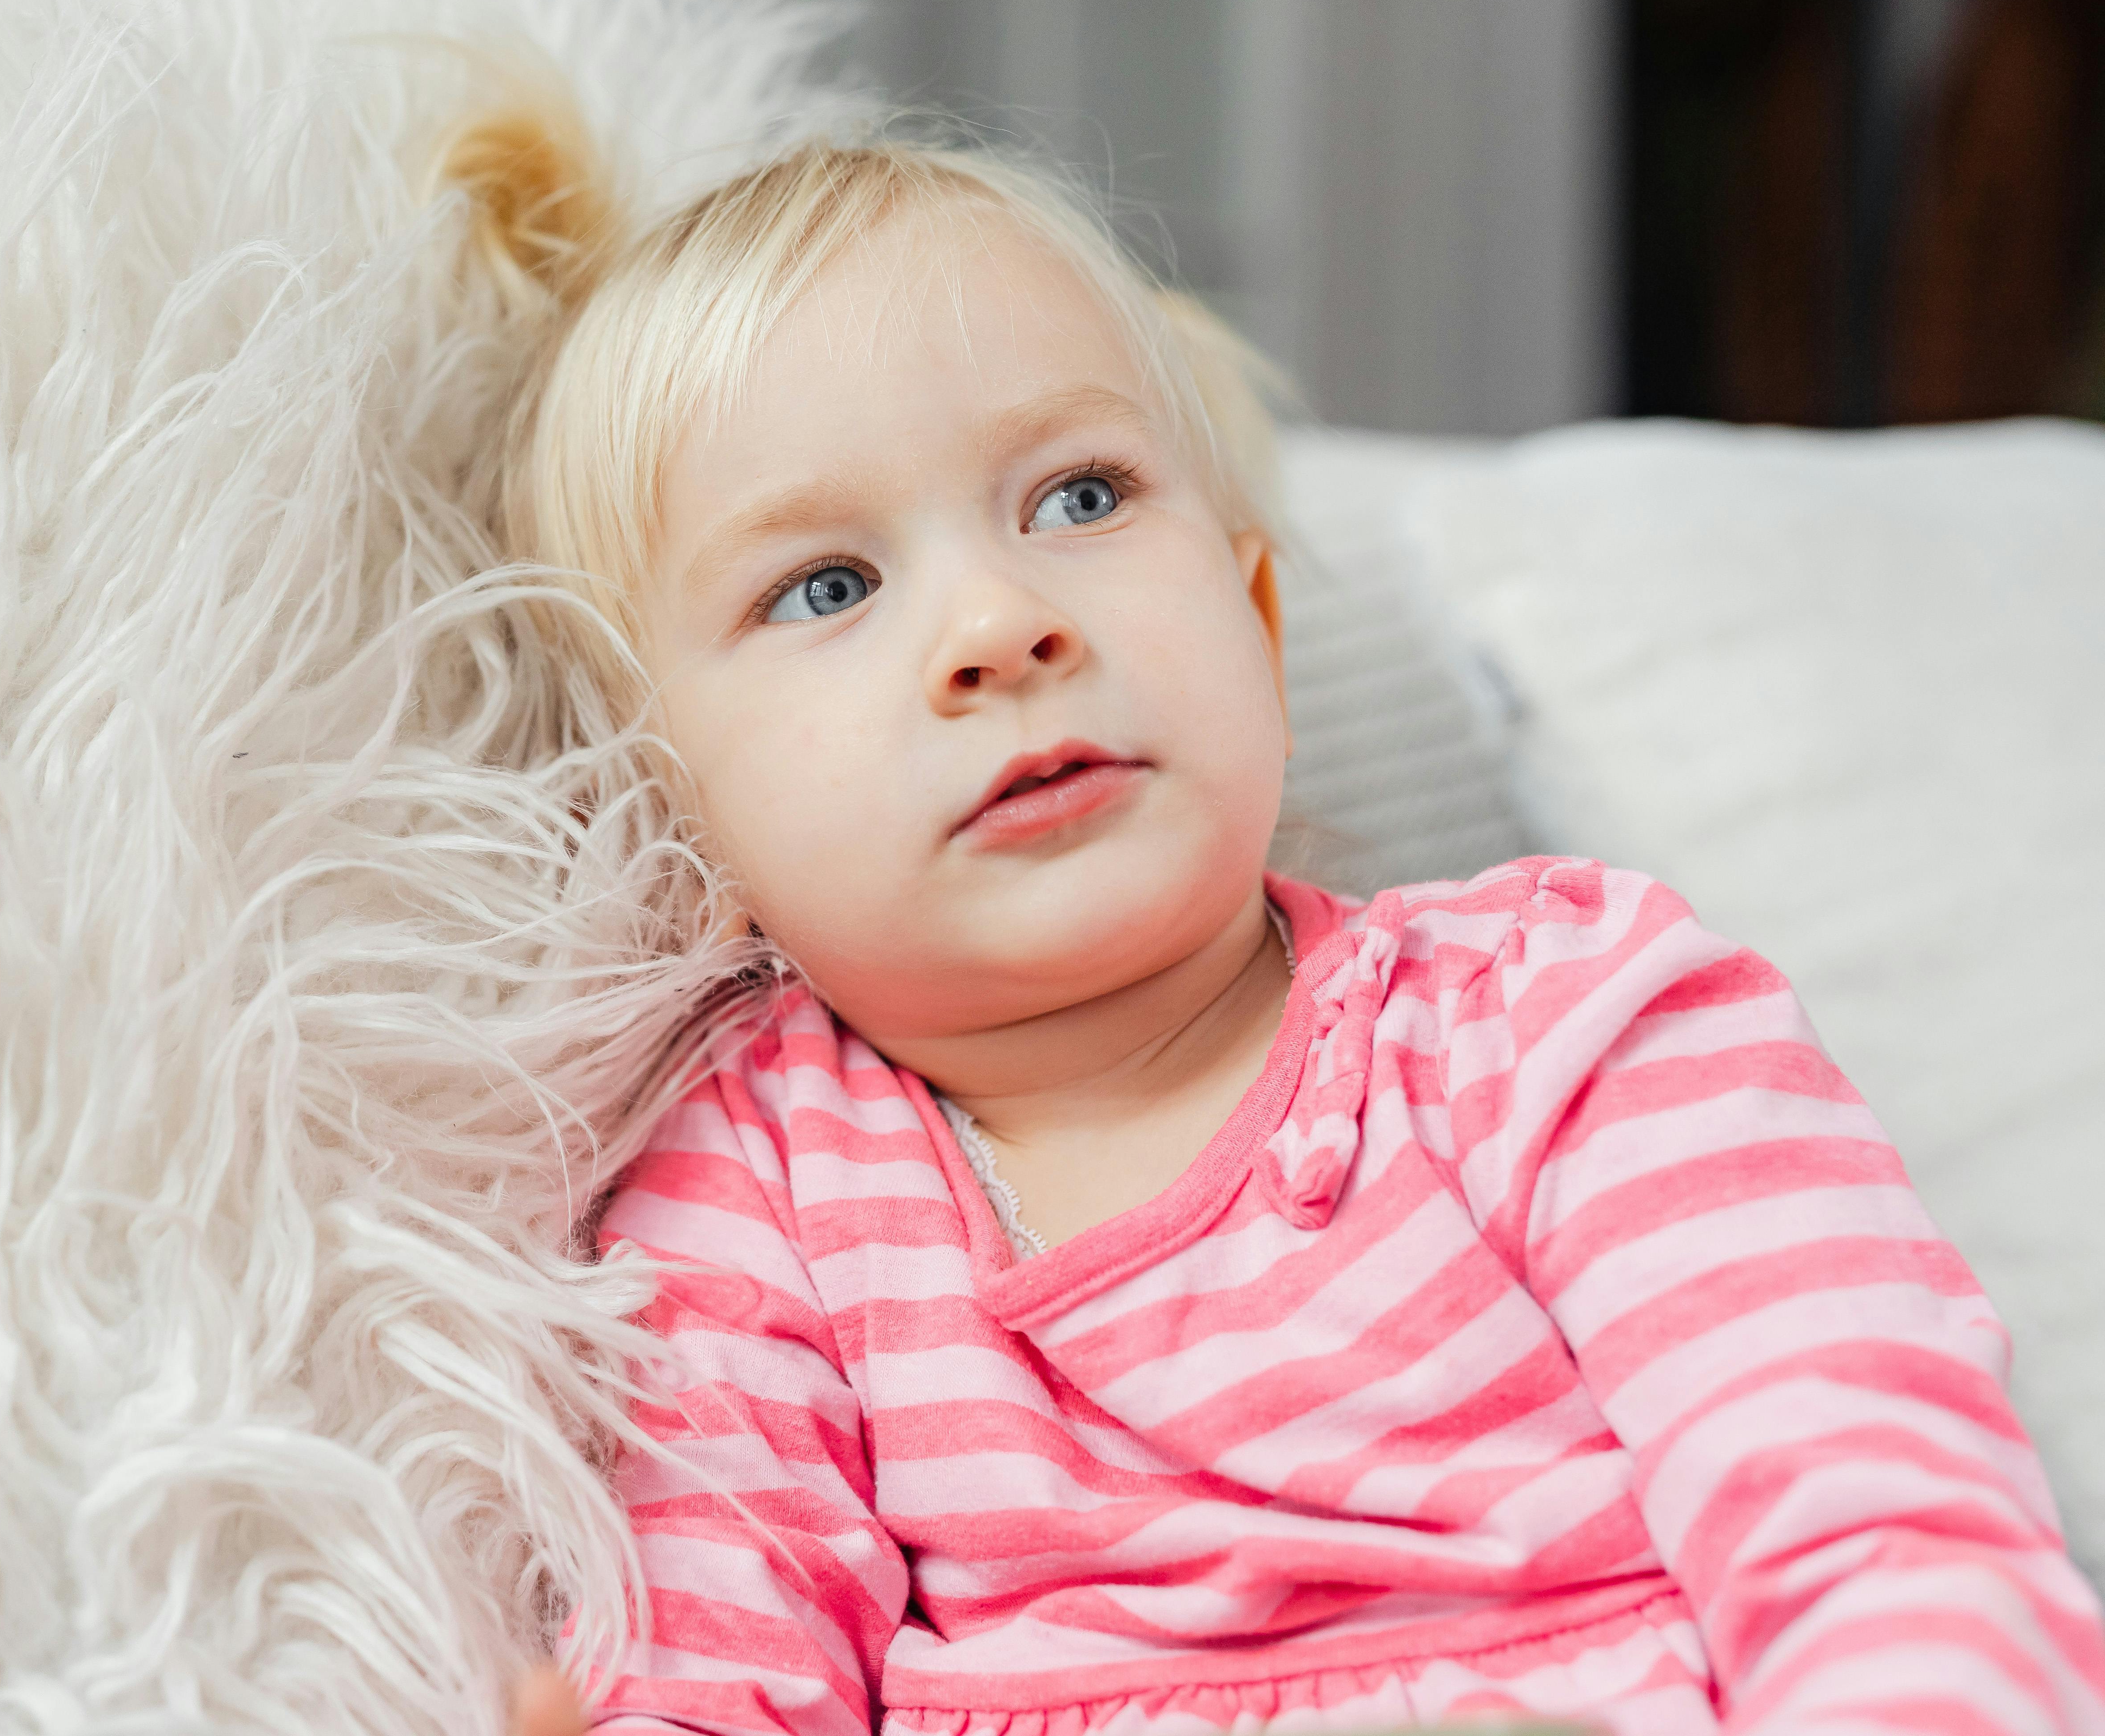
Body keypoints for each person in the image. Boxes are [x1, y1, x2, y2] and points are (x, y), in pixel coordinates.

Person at [435, 85, 2105, 1736]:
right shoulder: (757, 1191)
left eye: (1079, 497)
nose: (1001, 624)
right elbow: (721, 1671)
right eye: (829, 587)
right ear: (684, 821)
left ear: (1261, 628)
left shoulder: (1560, 1016)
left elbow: (1886, 1531)